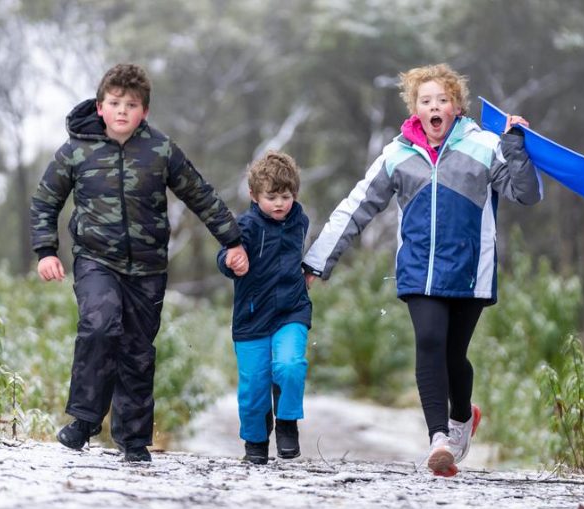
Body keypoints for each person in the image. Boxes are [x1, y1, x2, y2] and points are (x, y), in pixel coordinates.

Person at [302, 63, 542, 476]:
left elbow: (526, 193)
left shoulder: (484, 146)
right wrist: (317, 260)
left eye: (442, 100)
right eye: (425, 100)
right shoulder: (398, 155)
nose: (434, 106)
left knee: (454, 356)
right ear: (415, 108)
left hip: (469, 271)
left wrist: (517, 147)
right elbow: (356, 207)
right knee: (430, 341)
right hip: (418, 271)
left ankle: (463, 416)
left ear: (456, 107)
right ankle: (438, 439)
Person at [29, 63, 249, 463]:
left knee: (136, 348)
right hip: (96, 260)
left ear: (144, 111)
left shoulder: (160, 150)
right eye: (114, 103)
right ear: (100, 106)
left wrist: (232, 240)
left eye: (131, 105)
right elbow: (46, 201)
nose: (122, 111)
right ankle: (84, 419)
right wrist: (46, 251)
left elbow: (199, 194)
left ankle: (132, 439)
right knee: (99, 325)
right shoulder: (76, 150)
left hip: (147, 269)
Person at [216, 150, 312, 465]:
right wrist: (231, 261)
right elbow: (225, 254)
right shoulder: (245, 226)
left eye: (286, 196)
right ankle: (255, 443)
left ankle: (286, 422)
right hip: (252, 317)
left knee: (290, 365)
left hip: (291, 312)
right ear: (254, 196)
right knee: (254, 388)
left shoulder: (300, 220)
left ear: (294, 194)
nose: (279, 203)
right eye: (271, 197)